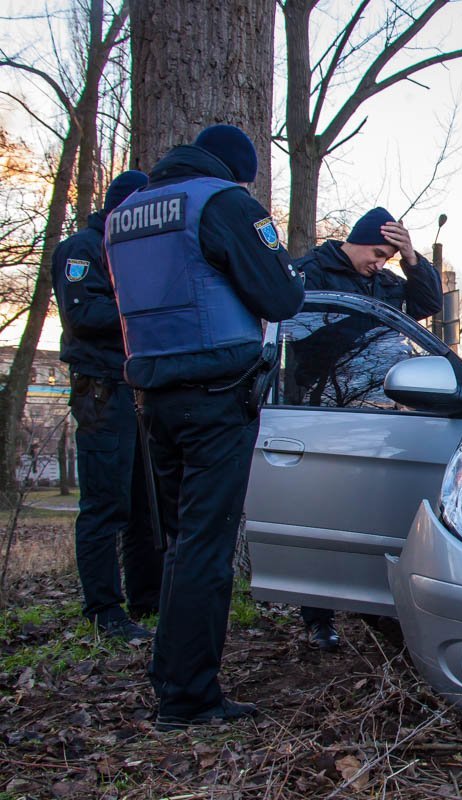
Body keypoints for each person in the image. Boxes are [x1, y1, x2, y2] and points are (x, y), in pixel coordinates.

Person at [105, 124, 305, 731]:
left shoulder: (126, 213)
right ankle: (189, 698)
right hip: (217, 396)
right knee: (206, 549)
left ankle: (171, 675)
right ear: (233, 171)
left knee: (179, 544)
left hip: (153, 397)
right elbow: (280, 298)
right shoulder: (223, 203)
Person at [291, 207, 442, 651]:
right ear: (353, 240)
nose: (380, 263)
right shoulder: (310, 272)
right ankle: (317, 617)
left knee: (371, 510)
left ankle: (375, 604)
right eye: (377, 253)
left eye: (388, 257)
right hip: (318, 407)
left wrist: (413, 259)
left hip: (376, 408)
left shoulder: (386, 283)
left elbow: (428, 304)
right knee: (318, 511)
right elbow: (296, 331)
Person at [52, 170, 162, 641]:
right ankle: (103, 610)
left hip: (142, 393)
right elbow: (83, 314)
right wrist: (143, 307)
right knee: (105, 504)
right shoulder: (84, 248)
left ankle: (148, 599)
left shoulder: (137, 254)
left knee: (145, 503)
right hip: (101, 389)